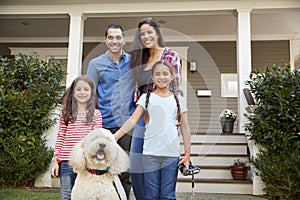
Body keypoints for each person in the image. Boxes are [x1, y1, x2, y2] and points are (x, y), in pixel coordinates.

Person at [115, 60, 191, 200]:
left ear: (172, 76)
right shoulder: (146, 98)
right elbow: (133, 120)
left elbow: (185, 129)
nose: (161, 77)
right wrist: (116, 136)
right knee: (151, 196)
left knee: (168, 196)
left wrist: (187, 155)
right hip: (150, 154)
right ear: (152, 77)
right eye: (157, 74)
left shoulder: (179, 100)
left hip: (171, 155)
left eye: (165, 74)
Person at [128, 17, 183, 200]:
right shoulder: (140, 58)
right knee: (136, 166)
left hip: (163, 119)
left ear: (157, 33)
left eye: (149, 32)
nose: (146, 36)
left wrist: (177, 118)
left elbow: (177, 88)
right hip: (142, 117)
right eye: (142, 34)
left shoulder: (170, 56)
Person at [86, 24, 135, 199]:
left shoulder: (133, 62)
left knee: (125, 170)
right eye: (111, 38)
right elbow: (90, 95)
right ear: (106, 40)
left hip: (127, 125)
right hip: (104, 125)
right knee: (102, 168)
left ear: (124, 40)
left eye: (118, 37)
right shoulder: (96, 64)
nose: (115, 41)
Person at [51, 75, 102, 200]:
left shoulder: (95, 114)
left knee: (85, 195)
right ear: (73, 92)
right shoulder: (66, 113)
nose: (82, 92)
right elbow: (61, 136)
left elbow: (97, 140)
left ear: (92, 93)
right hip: (66, 162)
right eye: (78, 89)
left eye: (86, 89)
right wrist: (56, 160)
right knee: (66, 195)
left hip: (86, 163)